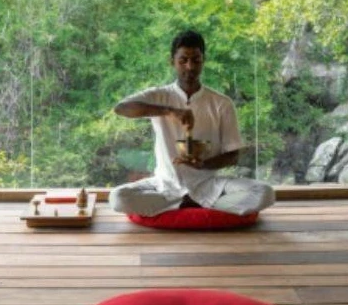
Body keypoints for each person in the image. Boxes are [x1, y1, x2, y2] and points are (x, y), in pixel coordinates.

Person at [108, 30, 276, 217]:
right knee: (118, 197)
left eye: (196, 60)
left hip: (209, 185)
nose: (190, 67)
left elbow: (233, 156)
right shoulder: (160, 96)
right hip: (166, 185)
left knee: (264, 193)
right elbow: (121, 108)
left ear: (203, 61)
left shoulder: (221, 103)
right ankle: (200, 206)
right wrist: (169, 111)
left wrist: (203, 164)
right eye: (183, 60)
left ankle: (189, 204)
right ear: (172, 61)